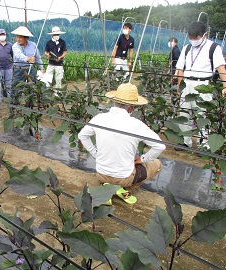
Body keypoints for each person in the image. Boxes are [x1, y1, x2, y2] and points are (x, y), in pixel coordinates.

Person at [78, 83, 165, 204]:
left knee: (111, 168)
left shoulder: (99, 118)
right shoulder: (136, 124)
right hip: (123, 178)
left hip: (101, 173)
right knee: (157, 164)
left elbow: (82, 135)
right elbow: (160, 146)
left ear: (114, 102)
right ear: (131, 108)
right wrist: (143, 159)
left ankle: (106, 188)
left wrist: (96, 154)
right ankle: (122, 188)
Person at [175, 21, 226, 149]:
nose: (193, 40)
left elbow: (221, 68)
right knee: (184, 112)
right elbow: (180, 68)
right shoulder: (187, 48)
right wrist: (180, 87)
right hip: (187, 83)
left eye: (195, 38)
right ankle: (184, 141)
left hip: (203, 85)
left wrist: (225, 85)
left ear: (204, 35)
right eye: (190, 37)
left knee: (203, 114)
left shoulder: (214, 48)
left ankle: (203, 144)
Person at [11, 26, 44, 104]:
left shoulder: (33, 45)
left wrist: (41, 68)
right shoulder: (15, 46)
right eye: (17, 37)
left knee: (31, 88)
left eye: (20, 37)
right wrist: (28, 59)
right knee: (16, 89)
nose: (18, 39)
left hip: (30, 69)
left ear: (26, 38)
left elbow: (38, 57)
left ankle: (30, 106)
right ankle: (14, 108)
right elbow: (18, 55)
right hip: (19, 69)